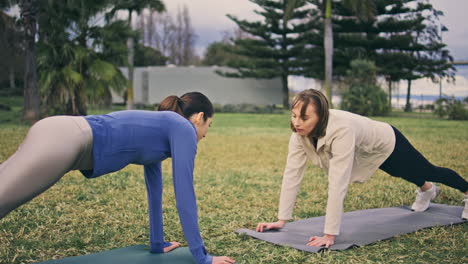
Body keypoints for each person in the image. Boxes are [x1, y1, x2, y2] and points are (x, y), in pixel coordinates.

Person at [0, 92, 235, 264]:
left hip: (62, 133)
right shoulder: (183, 129)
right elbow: (185, 195)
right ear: (199, 117)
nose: (205, 134)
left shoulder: (161, 132)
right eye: (209, 126)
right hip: (68, 140)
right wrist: (202, 257)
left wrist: (157, 244)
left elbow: (155, 190)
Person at [256, 89, 468, 248]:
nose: (297, 123)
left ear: (321, 116)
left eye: (304, 118)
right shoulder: (298, 135)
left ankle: (463, 190)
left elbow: (338, 182)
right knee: (401, 172)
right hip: (364, 149)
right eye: (294, 116)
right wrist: (281, 220)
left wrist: (329, 234)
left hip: (385, 141)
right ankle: (427, 190)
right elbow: (292, 175)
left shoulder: (341, 129)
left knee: (424, 169)